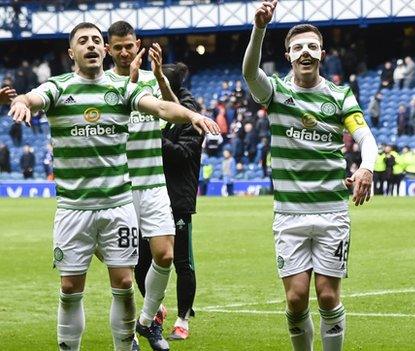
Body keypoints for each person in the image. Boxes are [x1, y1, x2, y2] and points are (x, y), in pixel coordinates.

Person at [7, 22, 218, 351]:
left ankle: (136, 334)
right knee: (69, 287)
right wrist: (22, 102)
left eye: (95, 40)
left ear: (102, 49)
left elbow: (162, 107)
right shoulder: (59, 87)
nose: (91, 45)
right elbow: (32, 97)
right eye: (83, 41)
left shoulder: (123, 89)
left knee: (124, 281)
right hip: (73, 209)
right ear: (71, 52)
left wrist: (189, 116)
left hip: (118, 204)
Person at [242, 2, 378, 350]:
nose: (306, 52)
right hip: (289, 214)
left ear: (322, 54)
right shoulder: (275, 93)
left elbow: (365, 138)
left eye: (312, 46)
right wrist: (259, 28)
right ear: (288, 55)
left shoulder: (339, 96)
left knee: (328, 296)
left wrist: (366, 166)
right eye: (298, 47)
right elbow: (249, 72)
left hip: (332, 212)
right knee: (297, 298)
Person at [106, 20, 178, 351]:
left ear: (138, 45)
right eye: (117, 46)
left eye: (129, 45)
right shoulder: (102, 83)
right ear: (109, 49)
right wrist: (131, 82)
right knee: (124, 269)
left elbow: (173, 112)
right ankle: (127, 336)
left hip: (152, 183)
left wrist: (159, 75)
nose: (124, 51)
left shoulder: (152, 81)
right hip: (118, 188)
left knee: (164, 255)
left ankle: (147, 323)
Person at [158, 62, 204, 341]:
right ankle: (156, 307)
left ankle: (182, 320)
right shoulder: (149, 108)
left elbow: (184, 155)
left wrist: (154, 139)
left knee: (181, 261)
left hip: (177, 197)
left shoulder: (191, 115)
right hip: (147, 194)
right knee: (139, 260)